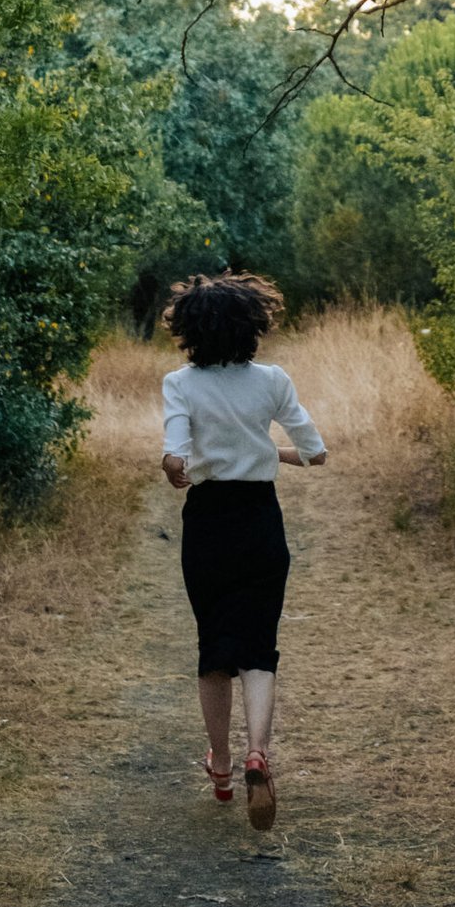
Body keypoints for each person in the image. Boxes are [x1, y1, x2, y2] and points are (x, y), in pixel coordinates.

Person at [160, 272, 327, 830]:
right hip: (260, 520)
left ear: (189, 332)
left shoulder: (180, 384)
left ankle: (224, 767)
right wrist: (266, 452)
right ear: (253, 326)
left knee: (215, 649)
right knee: (259, 648)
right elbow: (314, 452)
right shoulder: (273, 380)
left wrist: (179, 466)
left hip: (208, 522)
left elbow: (176, 456)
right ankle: (259, 753)